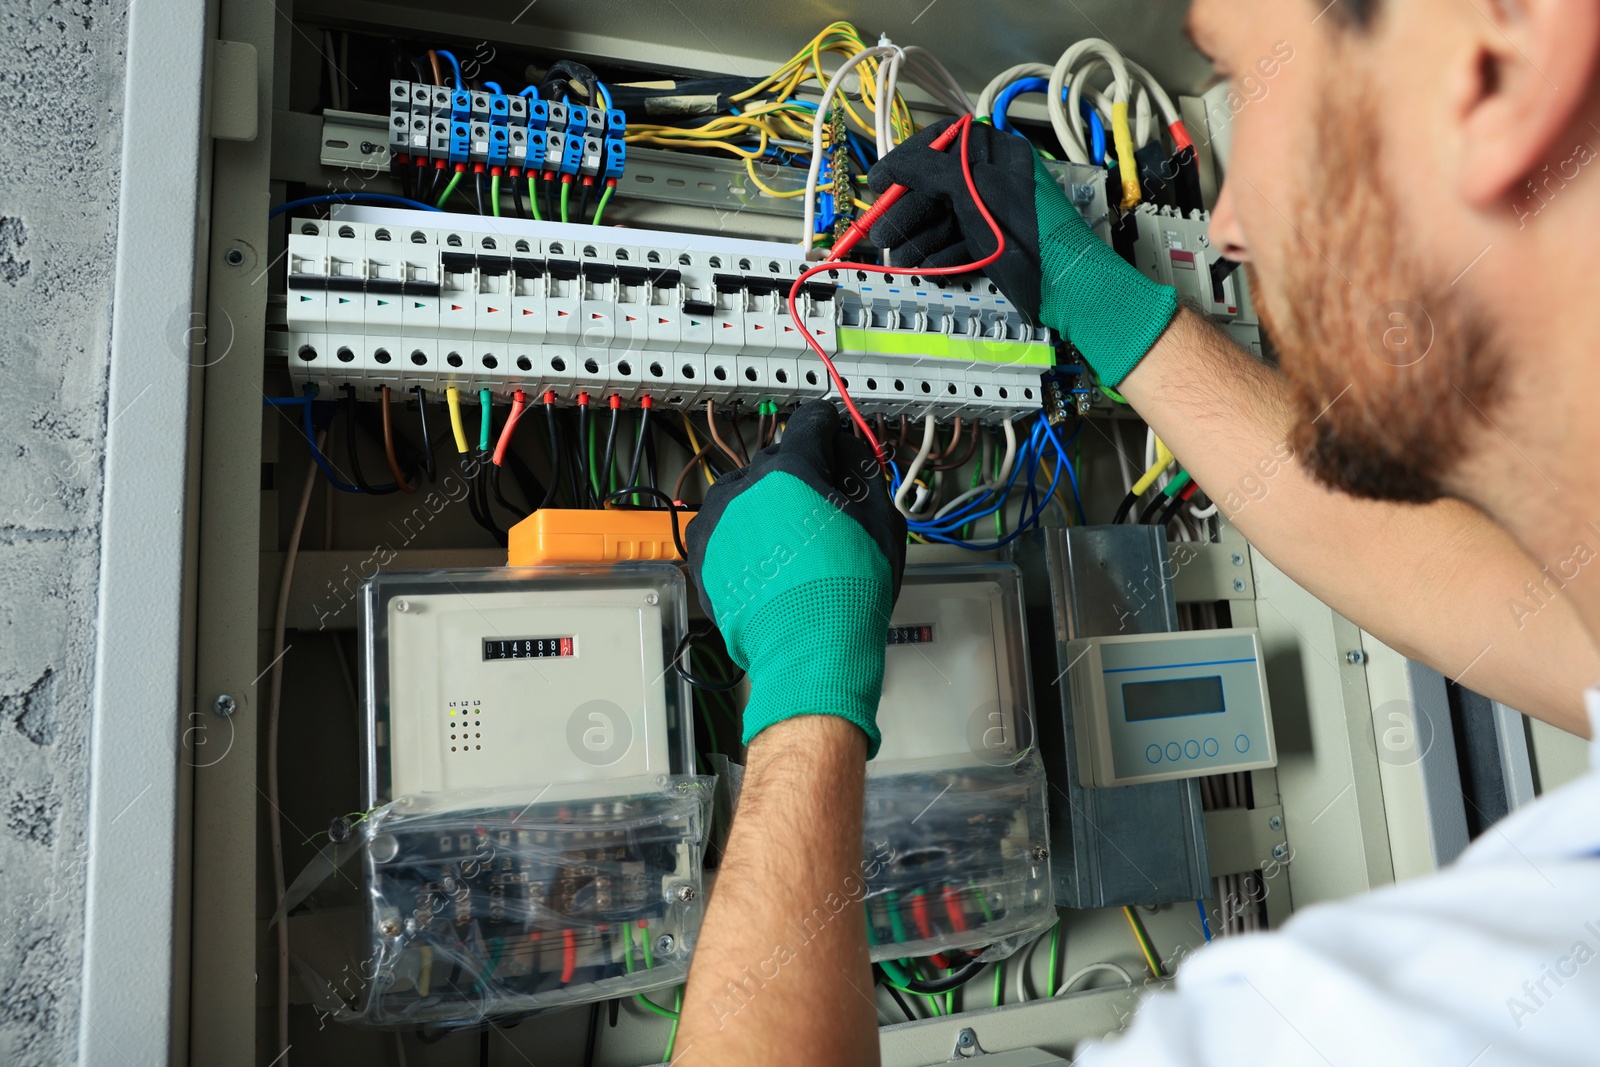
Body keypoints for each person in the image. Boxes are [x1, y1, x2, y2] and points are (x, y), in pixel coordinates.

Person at [673, 0, 1600, 1062]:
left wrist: (803, 667)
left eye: (1250, 86)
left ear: (1503, 55)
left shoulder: (1406, 1022)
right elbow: (1450, 578)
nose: (1228, 222)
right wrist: (1094, 297)